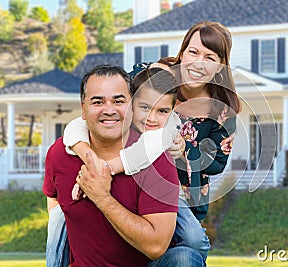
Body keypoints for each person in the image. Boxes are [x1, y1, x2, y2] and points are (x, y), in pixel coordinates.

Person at [62, 20, 241, 262]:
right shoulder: (151, 76)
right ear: (182, 51)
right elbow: (105, 109)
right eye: (193, 51)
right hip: (129, 174)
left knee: (194, 241)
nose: (198, 63)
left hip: (179, 192)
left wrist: (184, 151)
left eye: (210, 58)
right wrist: (92, 158)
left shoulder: (222, 111)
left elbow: (217, 163)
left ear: (220, 66)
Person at [43, 65, 203, 266]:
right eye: (97, 102)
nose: (109, 110)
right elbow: (54, 198)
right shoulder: (61, 152)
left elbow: (155, 247)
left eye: (118, 101)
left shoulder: (156, 154)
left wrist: (101, 195)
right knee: (58, 218)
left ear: (131, 105)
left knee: (187, 255)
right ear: (83, 109)